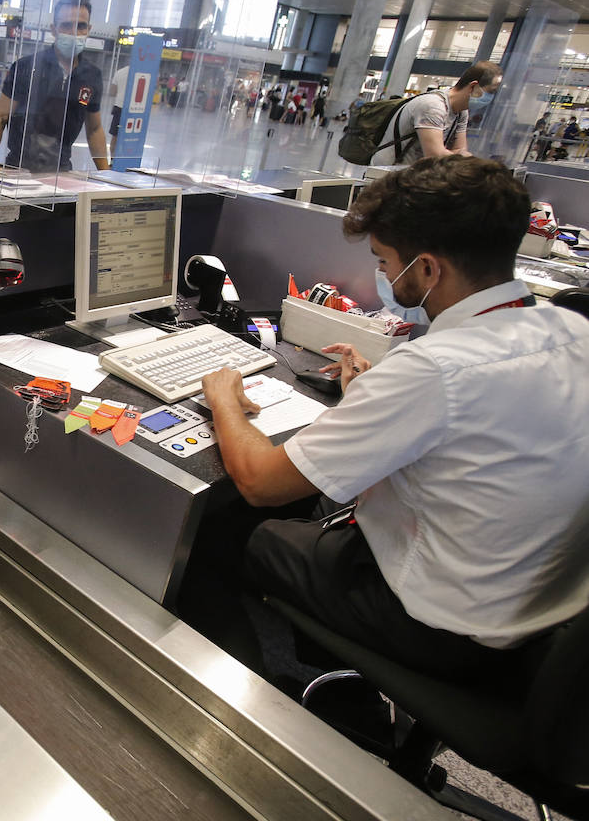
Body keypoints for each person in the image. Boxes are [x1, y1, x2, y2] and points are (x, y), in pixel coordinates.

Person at [182, 156, 589, 684]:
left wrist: (224, 402)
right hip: (541, 607)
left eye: (383, 259)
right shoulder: (571, 329)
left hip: (443, 624)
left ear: (426, 268)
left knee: (221, 530)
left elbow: (261, 482)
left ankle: (244, 707)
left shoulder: (435, 371)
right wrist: (373, 398)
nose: (381, 273)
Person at [0, 0, 109, 174]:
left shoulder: (91, 75)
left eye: (80, 26)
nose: (74, 32)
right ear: (54, 29)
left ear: (88, 29)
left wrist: (106, 176)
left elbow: (94, 129)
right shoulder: (27, 67)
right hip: (18, 170)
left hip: (61, 172)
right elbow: (0, 118)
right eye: (66, 25)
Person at [369, 61, 502, 165]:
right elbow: (435, 154)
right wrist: (468, 160)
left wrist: (462, 157)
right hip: (388, 176)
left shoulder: (461, 112)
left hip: (413, 176)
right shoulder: (433, 106)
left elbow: (460, 151)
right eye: (491, 91)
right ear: (473, 86)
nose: (491, 97)